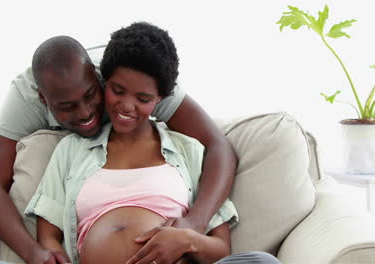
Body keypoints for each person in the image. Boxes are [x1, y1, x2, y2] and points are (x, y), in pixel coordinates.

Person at [24, 21, 280, 264]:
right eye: (118, 91)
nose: (126, 106)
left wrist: (189, 238)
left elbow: (221, 250)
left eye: (143, 98)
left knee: (262, 261)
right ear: (105, 82)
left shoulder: (189, 151)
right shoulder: (70, 150)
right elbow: (48, 236)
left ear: (161, 97)